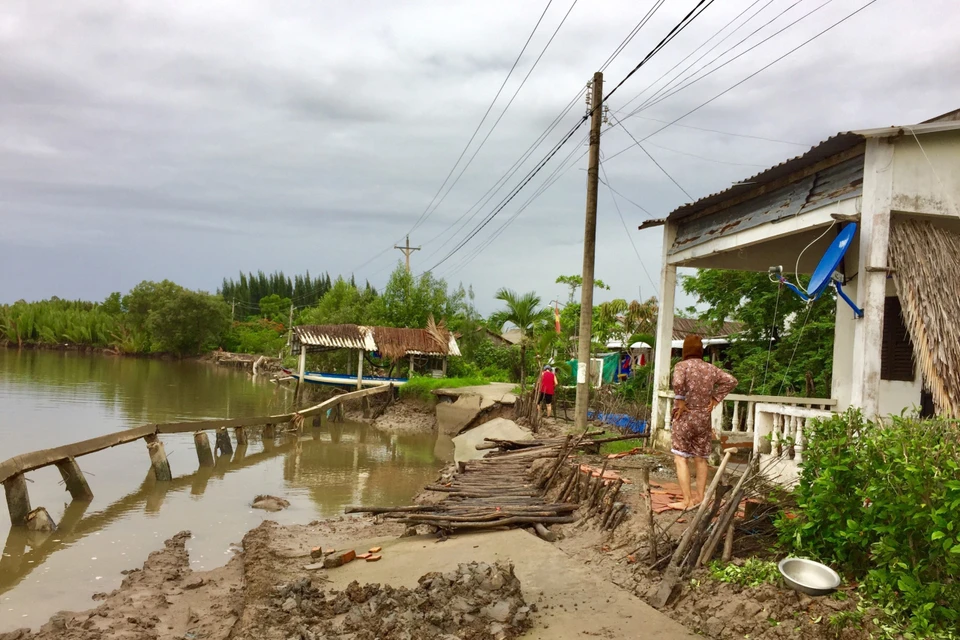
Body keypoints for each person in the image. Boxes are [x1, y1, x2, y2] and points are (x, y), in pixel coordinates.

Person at [668, 334, 738, 511]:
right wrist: (715, 399)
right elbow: (731, 381)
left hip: (684, 417)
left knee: (680, 458)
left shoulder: (681, 366)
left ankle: (687, 500)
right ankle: (700, 498)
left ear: (685, 349)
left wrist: (681, 400)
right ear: (701, 350)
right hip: (703, 419)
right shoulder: (711, 369)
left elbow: (677, 383)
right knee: (701, 459)